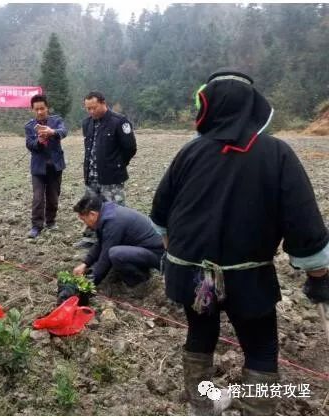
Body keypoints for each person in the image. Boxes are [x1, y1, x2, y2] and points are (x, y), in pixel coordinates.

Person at [150, 69, 329, 415]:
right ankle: (254, 407)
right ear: (254, 107)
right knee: (260, 346)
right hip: (248, 279)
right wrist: (318, 273)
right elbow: (303, 222)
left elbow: (160, 216)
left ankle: (201, 402)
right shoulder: (276, 153)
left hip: (192, 275)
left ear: (209, 106)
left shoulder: (190, 153)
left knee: (201, 334)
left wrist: (178, 253)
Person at [74, 91, 137, 249]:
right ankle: (90, 238)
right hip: (92, 175)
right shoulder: (87, 123)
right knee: (90, 208)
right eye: (88, 108)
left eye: (93, 108)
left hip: (112, 178)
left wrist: (117, 164)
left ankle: (118, 240)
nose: (91, 111)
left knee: (115, 210)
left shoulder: (119, 122)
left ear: (103, 103)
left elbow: (130, 148)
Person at [72, 193, 164, 288]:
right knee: (114, 255)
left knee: (115, 254)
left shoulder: (112, 222)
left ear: (92, 214)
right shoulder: (106, 211)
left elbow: (105, 257)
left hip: (158, 255)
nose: (85, 224)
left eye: (84, 220)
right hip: (143, 250)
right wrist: (85, 264)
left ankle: (140, 282)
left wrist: (89, 284)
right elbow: (101, 243)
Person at [24, 94, 68, 238]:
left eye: (42, 108)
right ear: (33, 110)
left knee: (53, 196)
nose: (40, 112)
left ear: (47, 108)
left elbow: (63, 131)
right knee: (38, 197)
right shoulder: (30, 126)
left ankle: (50, 221)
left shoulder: (56, 121)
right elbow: (30, 145)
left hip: (55, 166)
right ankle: (36, 226)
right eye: (36, 109)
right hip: (38, 168)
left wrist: (52, 132)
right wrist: (39, 141)